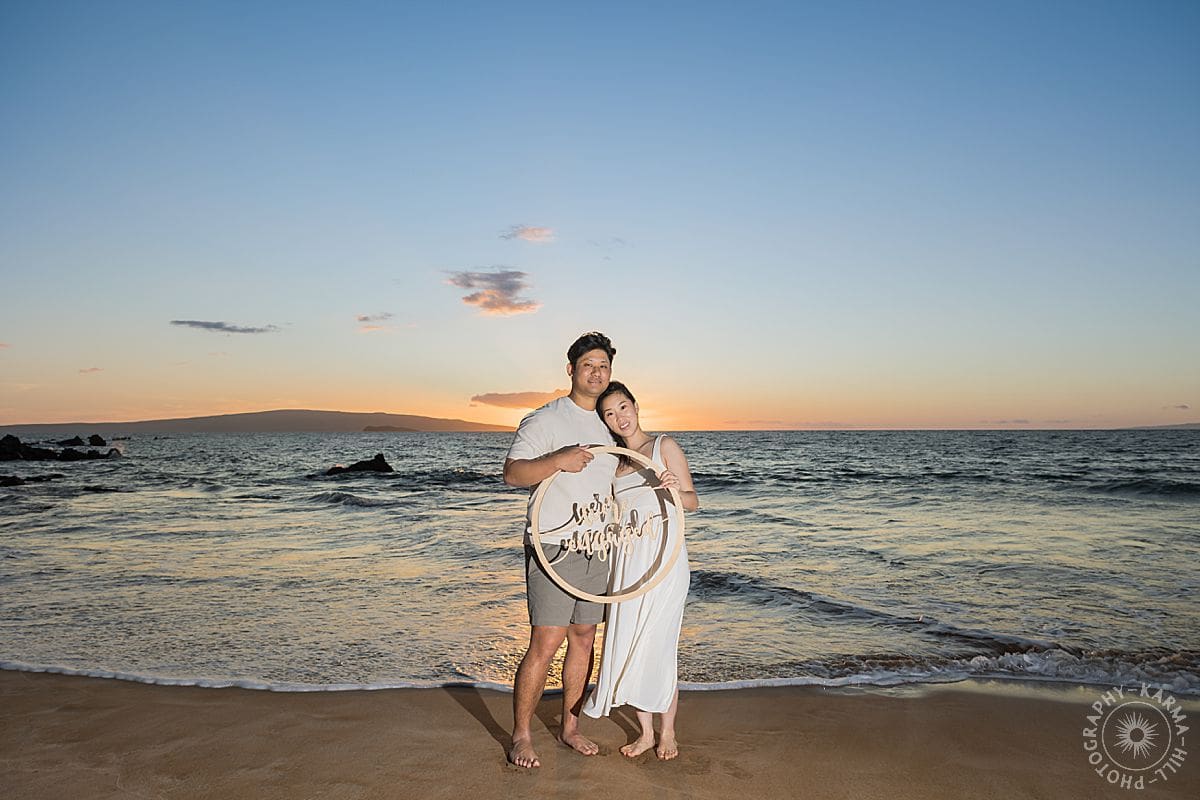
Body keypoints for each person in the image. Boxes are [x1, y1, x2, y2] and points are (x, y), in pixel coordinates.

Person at [502, 332, 619, 769]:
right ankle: (521, 735)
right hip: (552, 543)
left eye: (603, 366)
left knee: (585, 637)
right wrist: (558, 459)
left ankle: (570, 728)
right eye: (588, 365)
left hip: (598, 545)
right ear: (571, 370)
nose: (596, 373)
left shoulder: (609, 422)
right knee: (545, 640)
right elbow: (513, 473)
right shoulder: (545, 419)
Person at [582, 380, 699, 760]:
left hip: (664, 560)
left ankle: (669, 733)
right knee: (632, 641)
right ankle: (646, 733)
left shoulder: (664, 446)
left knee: (660, 645)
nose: (619, 418)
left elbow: (693, 502)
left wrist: (671, 490)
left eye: (622, 407)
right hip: (627, 562)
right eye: (610, 414)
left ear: (635, 405)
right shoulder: (616, 463)